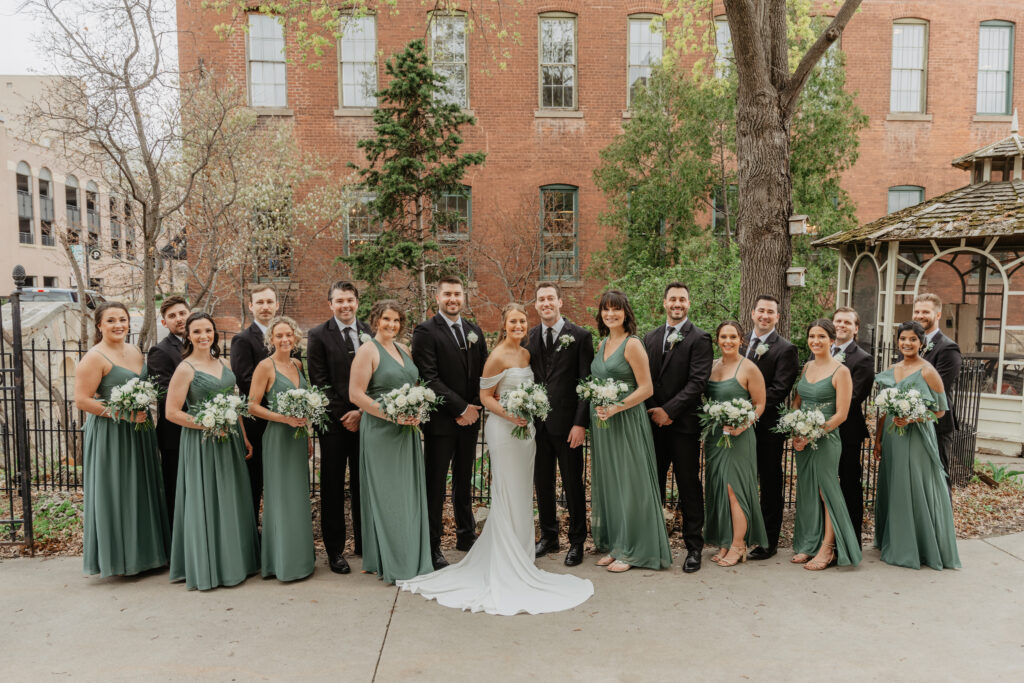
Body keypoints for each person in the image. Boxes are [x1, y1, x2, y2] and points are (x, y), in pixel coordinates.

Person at [398, 304, 594, 614]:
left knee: (521, 493)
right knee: (505, 490)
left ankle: (521, 553)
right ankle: (505, 558)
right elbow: (486, 397)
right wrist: (509, 414)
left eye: (521, 321)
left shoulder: (527, 353)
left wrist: (528, 412)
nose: (518, 325)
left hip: (527, 431)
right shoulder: (497, 356)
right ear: (503, 326)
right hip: (505, 431)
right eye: (512, 322)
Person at [75, 302, 170, 577]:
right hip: (111, 433)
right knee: (117, 490)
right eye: (111, 320)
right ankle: (119, 559)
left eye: (123, 319)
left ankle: (146, 555)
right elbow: (82, 400)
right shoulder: (94, 357)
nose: (118, 325)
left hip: (139, 430)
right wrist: (121, 414)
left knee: (141, 488)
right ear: (99, 326)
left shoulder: (134, 350)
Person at [167, 313, 260, 590]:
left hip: (230, 438)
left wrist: (242, 435)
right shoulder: (185, 368)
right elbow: (172, 413)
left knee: (231, 498)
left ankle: (235, 561)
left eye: (208, 330)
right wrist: (205, 424)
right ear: (189, 336)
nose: (203, 335)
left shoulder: (222, 362)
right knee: (206, 499)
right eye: (197, 331)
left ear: (214, 333)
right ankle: (210, 566)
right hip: (202, 442)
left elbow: (233, 401)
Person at [349, 301, 433, 584]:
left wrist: (417, 409)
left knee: (407, 494)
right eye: (386, 319)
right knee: (388, 496)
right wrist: (391, 415)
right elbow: (356, 395)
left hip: (406, 431)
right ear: (375, 319)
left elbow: (414, 387)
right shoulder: (367, 350)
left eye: (397, 320)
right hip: (381, 432)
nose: (392, 325)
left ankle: (412, 554)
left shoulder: (403, 349)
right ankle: (392, 560)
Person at [588, 290, 672, 573]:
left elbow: (646, 388)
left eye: (616, 310)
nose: (610, 314)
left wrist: (616, 407)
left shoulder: (632, 344)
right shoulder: (602, 343)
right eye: (606, 310)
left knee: (631, 484)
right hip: (605, 425)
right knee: (613, 483)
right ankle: (617, 545)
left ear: (626, 313)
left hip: (626, 422)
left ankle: (634, 550)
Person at [411, 276, 488, 569]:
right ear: (437, 297)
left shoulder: (473, 330)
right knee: (435, 483)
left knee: (464, 481)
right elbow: (429, 377)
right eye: (447, 294)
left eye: (457, 294)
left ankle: (466, 535)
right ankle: (432, 547)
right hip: (441, 422)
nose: (453, 299)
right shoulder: (425, 331)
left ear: (464, 297)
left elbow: (482, 371)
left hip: (470, 420)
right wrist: (459, 408)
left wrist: (476, 407)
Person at [873, 321, 961, 570]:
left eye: (912, 339)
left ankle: (917, 545)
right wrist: (879, 439)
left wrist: (914, 417)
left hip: (917, 436)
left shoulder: (928, 371)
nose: (907, 343)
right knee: (894, 484)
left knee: (913, 486)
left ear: (922, 343)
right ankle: (893, 538)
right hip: (893, 436)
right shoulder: (892, 369)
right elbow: (884, 410)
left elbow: (941, 411)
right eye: (903, 339)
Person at [643, 282, 713, 573]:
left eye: (682, 299)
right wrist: (654, 412)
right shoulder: (650, 337)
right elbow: (644, 378)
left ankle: (694, 547)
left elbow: (697, 383)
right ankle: (654, 543)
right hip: (652, 426)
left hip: (683, 426)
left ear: (688, 303)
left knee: (688, 486)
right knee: (653, 484)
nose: (677, 304)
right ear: (664, 303)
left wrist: (668, 411)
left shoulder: (699, 338)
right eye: (672, 299)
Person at [524, 283, 593, 567]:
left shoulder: (580, 336)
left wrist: (580, 424)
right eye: (541, 299)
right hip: (537, 427)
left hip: (567, 427)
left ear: (560, 302)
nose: (546, 303)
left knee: (573, 484)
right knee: (543, 483)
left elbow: (586, 383)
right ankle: (549, 536)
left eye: (551, 298)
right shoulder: (528, 337)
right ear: (536, 305)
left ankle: (577, 542)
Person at [306, 281, 372, 574]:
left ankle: (364, 543)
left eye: (350, 300)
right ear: (330, 304)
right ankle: (335, 551)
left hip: (366, 421)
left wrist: (361, 411)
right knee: (332, 487)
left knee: (364, 483)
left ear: (358, 302)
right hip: (333, 425)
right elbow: (319, 382)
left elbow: (379, 377)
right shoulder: (318, 335)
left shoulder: (370, 332)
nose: (346, 305)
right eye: (339, 301)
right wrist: (347, 413)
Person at [247, 317, 315, 583]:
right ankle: (281, 562)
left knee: (298, 497)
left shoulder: (298, 364)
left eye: (289, 335)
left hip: (297, 437)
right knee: (280, 498)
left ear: (295, 337)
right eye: (279, 336)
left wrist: (306, 433)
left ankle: (301, 559)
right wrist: (283, 418)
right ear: (271, 339)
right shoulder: (266, 366)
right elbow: (252, 405)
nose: (285, 340)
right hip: (277, 436)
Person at [789, 319, 862, 570]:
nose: (815, 341)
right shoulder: (807, 366)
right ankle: (809, 544)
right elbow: (797, 402)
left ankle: (828, 548)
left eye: (821, 336)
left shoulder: (841, 371)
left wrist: (813, 434)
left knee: (826, 491)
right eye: (812, 336)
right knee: (807, 489)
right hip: (803, 438)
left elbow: (841, 414)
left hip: (827, 439)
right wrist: (796, 429)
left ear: (832, 340)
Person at [703, 321, 769, 568]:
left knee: (735, 490)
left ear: (741, 339)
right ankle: (725, 540)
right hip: (715, 437)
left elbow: (760, 404)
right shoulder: (712, 366)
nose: (728, 341)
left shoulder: (749, 368)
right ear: (717, 340)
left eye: (733, 336)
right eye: (723, 336)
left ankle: (739, 544)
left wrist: (743, 424)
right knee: (719, 487)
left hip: (739, 437)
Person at [745, 295, 800, 561]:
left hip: (766, 427)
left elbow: (779, 390)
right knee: (739, 480)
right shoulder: (739, 341)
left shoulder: (786, 349)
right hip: (735, 426)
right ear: (753, 313)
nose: (765, 315)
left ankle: (767, 541)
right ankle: (739, 535)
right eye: (761, 311)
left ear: (778, 317)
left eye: (771, 312)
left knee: (769, 482)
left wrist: (747, 410)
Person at [230, 284, 280, 523]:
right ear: (251, 306)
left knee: (278, 481)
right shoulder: (242, 340)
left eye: (270, 302)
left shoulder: (285, 336)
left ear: (277, 305)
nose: (265, 307)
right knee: (254, 481)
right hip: (256, 422)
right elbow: (245, 380)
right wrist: (279, 401)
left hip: (284, 421)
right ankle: (252, 536)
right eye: (260, 302)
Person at [831, 306, 874, 544]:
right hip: (819, 431)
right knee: (823, 483)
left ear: (856, 329)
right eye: (838, 321)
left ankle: (850, 540)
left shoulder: (863, 359)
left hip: (847, 431)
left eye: (847, 322)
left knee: (849, 483)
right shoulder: (820, 350)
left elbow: (854, 396)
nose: (841, 325)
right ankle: (825, 536)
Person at [147, 295, 190, 527]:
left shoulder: (203, 343)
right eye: (172, 316)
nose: (179, 319)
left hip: (203, 430)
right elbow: (163, 392)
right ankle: (175, 549)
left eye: (182, 313)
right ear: (164, 323)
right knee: (177, 492)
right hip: (175, 434)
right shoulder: (160, 351)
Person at [912, 293, 962, 493]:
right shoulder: (909, 344)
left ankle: (942, 524)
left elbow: (937, 387)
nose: (920, 315)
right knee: (916, 478)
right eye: (916, 311)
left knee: (938, 478)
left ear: (938, 314)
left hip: (937, 423)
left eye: (925, 311)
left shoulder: (948, 348)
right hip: (909, 422)